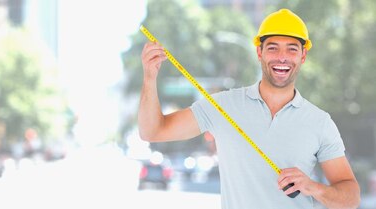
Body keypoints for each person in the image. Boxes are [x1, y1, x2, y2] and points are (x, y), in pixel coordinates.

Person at [138, 8, 360, 209]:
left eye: (291, 49)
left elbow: (351, 198)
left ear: (303, 56)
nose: (282, 57)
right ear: (259, 52)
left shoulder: (319, 122)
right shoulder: (221, 105)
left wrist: (312, 186)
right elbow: (153, 131)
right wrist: (150, 77)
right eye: (273, 48)